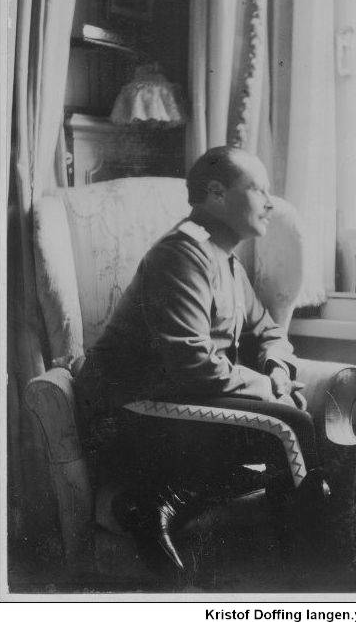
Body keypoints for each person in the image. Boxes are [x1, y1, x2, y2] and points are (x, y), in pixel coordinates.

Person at [74, 146, 331, 571]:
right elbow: (192, 363)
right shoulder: (180, 255)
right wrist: (268, 388)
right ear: (216, 194)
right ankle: (312, 572)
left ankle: (157, 504)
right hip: (131, 411)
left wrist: (276, 368)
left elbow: (268, 331)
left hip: (180, 401)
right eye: (259, 190)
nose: (270, 203)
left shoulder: (225, 260)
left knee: (290, 421)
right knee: (291, 425)